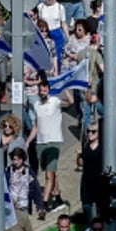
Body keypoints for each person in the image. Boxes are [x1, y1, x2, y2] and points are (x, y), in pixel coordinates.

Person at [26, 77, 68, 212]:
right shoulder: (37, 105)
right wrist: (28, 141)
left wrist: (65, 88)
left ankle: (44, 204)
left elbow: (70, 102)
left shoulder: (55, 101)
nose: (43, 90)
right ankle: (58, 198)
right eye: (41, 88)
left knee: (48, 175)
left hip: (53, 142)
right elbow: (37, 126)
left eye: (45, 88)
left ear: (49, 89)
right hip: (41, 143)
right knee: (51, 172)